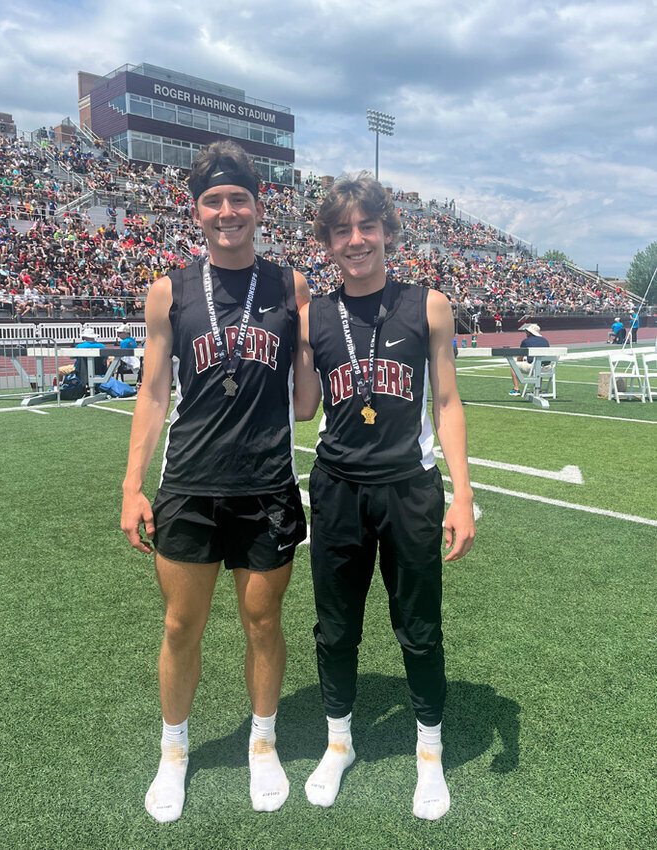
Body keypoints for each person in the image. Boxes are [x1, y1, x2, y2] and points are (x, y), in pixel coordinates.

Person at [120, 140, 310, 822]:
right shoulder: (168, 290)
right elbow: (149, 393)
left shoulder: (291, 287)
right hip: (190, 485)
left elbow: (307, 398)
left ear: (260, 206)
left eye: (238, 199)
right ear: (195, 211)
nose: (226, 212)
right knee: (180, 626)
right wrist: (131, 486)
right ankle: (174, 751)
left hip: (266, 485)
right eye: (213, 202)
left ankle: (263, 743)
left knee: (263, 622)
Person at [293, 174, 475, 821]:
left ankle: (430, 750)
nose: (354, 240)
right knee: (335, 628)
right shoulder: (311, 315)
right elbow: (305, 406)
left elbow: (447, 402)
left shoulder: (428, 304)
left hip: (409, 488)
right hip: (338, 487)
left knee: (419, 630)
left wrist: (460, 493)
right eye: (340, 230)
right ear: (326, 242)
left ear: (388, 231)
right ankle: (337, 743)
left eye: (366, 226)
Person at [509, 322, 550, 395]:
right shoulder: (545, 340)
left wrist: (522, 360)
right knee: (539, 364)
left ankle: (516, 389)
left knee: (513, 366)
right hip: (547, 368)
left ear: (530, 332)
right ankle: (538, 388)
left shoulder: (526, 341)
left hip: (534, 367)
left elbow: (520, 357)